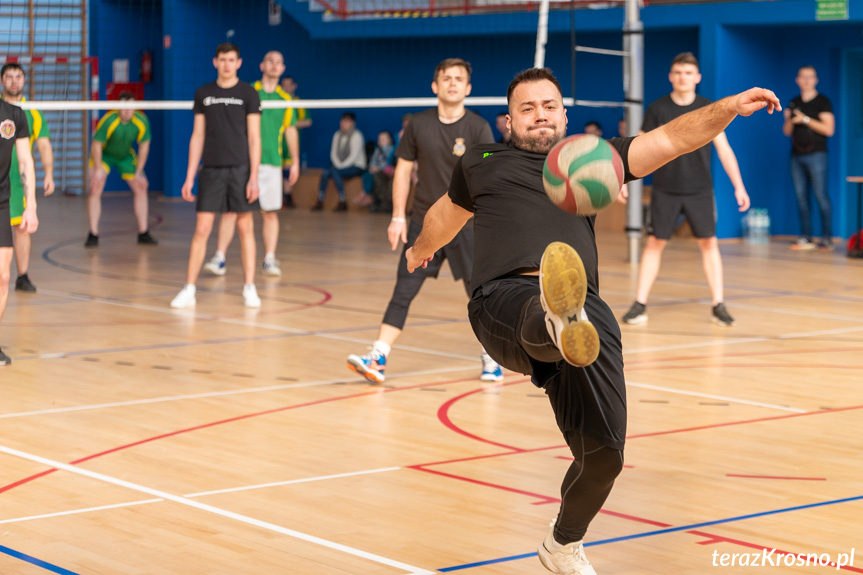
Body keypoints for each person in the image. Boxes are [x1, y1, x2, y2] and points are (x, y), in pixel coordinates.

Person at [404, 67, 779, 575]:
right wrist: (421, 249)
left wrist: (729, 106)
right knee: (539, 312)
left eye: (549, 105)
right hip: (503, 300)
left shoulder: (595, 161)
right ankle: (554, 320)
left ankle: (562, 545)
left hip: (589, 312)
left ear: (565, 114)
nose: (540, 115)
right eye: (527, 108)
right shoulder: (482, 160)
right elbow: (445, 215)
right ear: (509, 121)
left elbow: (672, 138)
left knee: (605, 455)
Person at [346, 57, 503, 385]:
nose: (453, 83)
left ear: (468, 88)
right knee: (403, 289)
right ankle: (378, 357)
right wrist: (397, 216)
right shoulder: (417, 124)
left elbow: (490, 176)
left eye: (459, 78)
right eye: (446, 78)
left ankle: (492, 357)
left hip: (465, 225)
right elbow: (403, 170)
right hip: (425, 224)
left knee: (480, 294)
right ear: (435, 86)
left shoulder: (478, 128)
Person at [620, 52, 751, 328]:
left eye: (688, 73)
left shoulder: (709, 108)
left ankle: (719, 305)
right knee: (655, 244)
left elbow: (724, 150)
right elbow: (639, 149)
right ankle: (639, 304)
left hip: (700, 190)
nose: (683, 77)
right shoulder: (657, 109)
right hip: (665, 190)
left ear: (697, 77)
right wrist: (624, 178)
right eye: (678, 72)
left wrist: (739, 186)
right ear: (671, 76)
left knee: (709, 244)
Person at [170, 42, 262, 309]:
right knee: (202, 229)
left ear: (239, 63)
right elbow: (197, 135)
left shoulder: (249, 93)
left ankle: (249, 287)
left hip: (241, 170)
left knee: (245, 228)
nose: (226, 64)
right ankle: (189, 289)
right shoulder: (204, 93)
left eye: (231, 60)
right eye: (222, 59)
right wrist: (189, 176)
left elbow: (254, 138)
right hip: (210, 170)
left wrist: (253, 176)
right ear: (215, 62)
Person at [203, 50, 300, 279]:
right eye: (270, 61)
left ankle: (269, 258)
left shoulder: (286, 100)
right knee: (230, 212)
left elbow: (290, 131)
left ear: (283, 69)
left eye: (279, 62)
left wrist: (294, 161)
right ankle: (219, 257)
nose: (274, 65)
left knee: (269, 213)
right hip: (241, 162)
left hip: (272, 163)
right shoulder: (247, 92)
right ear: (261, 65)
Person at [0, 63, 53, 292]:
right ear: (2, 80)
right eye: (9, 77)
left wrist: (49, 173)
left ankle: (22, 276)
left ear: (24, 80)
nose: (14, 81)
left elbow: (43, 145)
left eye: (18, 76)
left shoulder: (32, 112)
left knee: (22, 227)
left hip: (18, 182)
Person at [86, 92, 155, 247]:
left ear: (135, 107)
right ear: (118, 107)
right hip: (104, 155)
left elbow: (144, 146)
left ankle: (143, 233)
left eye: (130, 108)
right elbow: (96, 145)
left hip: (125, 155)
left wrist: (139, 171)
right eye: (123, 108)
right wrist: (97, 169)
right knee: (95, 187)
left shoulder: (141, 121)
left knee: (141, 187)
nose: (127, 111)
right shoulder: (109, 120)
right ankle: (93, 234)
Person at [0, 96, 39, 365]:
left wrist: (31, 205)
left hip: (2, 202)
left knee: (3, 277)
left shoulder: (14, 115)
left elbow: (25, 161)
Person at [783, 65, 835, 251]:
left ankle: (827, 238)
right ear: (797, 80)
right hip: (797, 156)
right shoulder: (794, 102)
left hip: (817, 155)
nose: (806, 80)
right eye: (803, 77)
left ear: (816, 80)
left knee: (820, 195)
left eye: (810, 77)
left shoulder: (823, 102)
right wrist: (789, 119)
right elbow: (787, 131)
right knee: (801, 197)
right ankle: (806, 237)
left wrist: (805, 119)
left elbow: (829, 129)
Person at [312, 112, 366, 212]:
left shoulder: (357, 136)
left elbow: (353, 157)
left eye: (346, 121)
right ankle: (320, 199)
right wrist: (337, 165)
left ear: (352, 123)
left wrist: (339, 167)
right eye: (342, 120)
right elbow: (333, 153)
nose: (343, 123)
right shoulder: (337, 134)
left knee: (335, 171)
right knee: (325, 173)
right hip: (338, 165)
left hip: (356, 165)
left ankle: (343, 200)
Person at [280, 76, 311, 209]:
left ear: (294, 86)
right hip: (276, 143)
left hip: (291, 144)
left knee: (288, 172)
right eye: (284, 85)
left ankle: (288, 198)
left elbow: (308, 121)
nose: (286, 88)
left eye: (289, 85)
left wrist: (289, 124)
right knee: (277, 172)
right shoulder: (277, 100)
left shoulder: (298, 102)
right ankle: (282, 198)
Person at [359, 129, 395, 212]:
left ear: (390, 140)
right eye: (380, 139)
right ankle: (367, 194)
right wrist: (372, 167)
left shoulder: (391, 149)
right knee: (366, 175)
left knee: (378, 178)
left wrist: (378, 168)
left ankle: (368, 195)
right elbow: (373, 161)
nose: (381, 141)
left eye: (384, 139)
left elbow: (389, 162)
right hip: (376, 170)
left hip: (385, 170)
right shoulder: (377, 150)